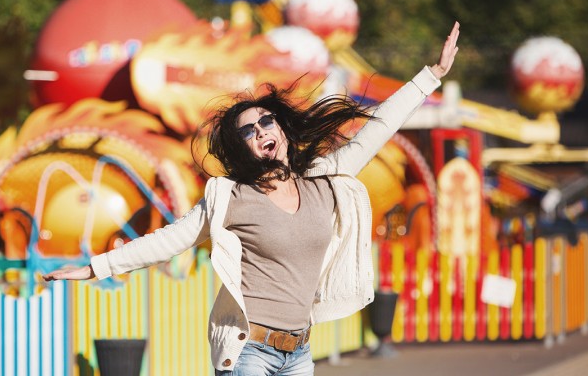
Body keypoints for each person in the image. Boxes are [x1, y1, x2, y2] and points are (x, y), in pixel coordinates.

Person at [44, 22, 460, 375]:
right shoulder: (232, 197)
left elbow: (376, 129)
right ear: (243, 148)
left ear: (281, 131)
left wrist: (431, 75)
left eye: (266, 121)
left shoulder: (322, 180)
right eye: (248, 130)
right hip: (248, 354)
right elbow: (171, 239)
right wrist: (94, 268)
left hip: (299, 353)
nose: (261, 130)